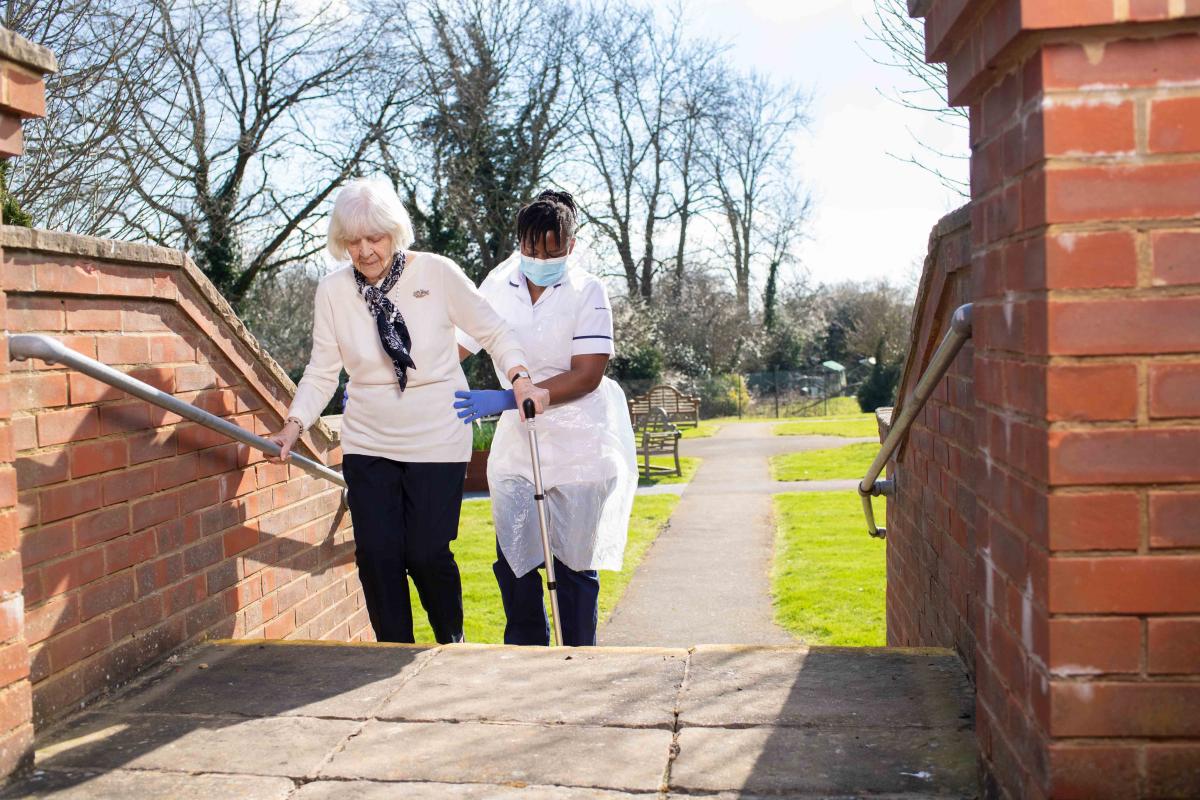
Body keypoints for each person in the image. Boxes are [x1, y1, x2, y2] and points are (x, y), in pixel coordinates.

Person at [267, 177, 548, 644]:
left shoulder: (436, 273)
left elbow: (495, 332)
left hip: (436, 437)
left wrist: (520, 378)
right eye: (352, 241)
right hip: (368, 438)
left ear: (395, 232)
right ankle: (391, 654)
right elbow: (322, 370)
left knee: (425, 553)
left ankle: (449, 645)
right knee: (377, 556)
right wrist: (293, 424)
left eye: (374, 237)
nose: (365, 251)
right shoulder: (334, 291)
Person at [453, 190, 637, 647]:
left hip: (580, 445)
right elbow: (451, 348)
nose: (541, 258)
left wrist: (515, 397)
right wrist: (387, 377)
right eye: (532, 249)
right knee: (514, 561)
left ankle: (579, 659)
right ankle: (525, 657)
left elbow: (587, 373)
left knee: (574, 567)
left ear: (570, 247)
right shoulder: (498, 286)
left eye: (553, 250)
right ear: (520, 243)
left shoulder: (588, 290)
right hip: (519, 447)